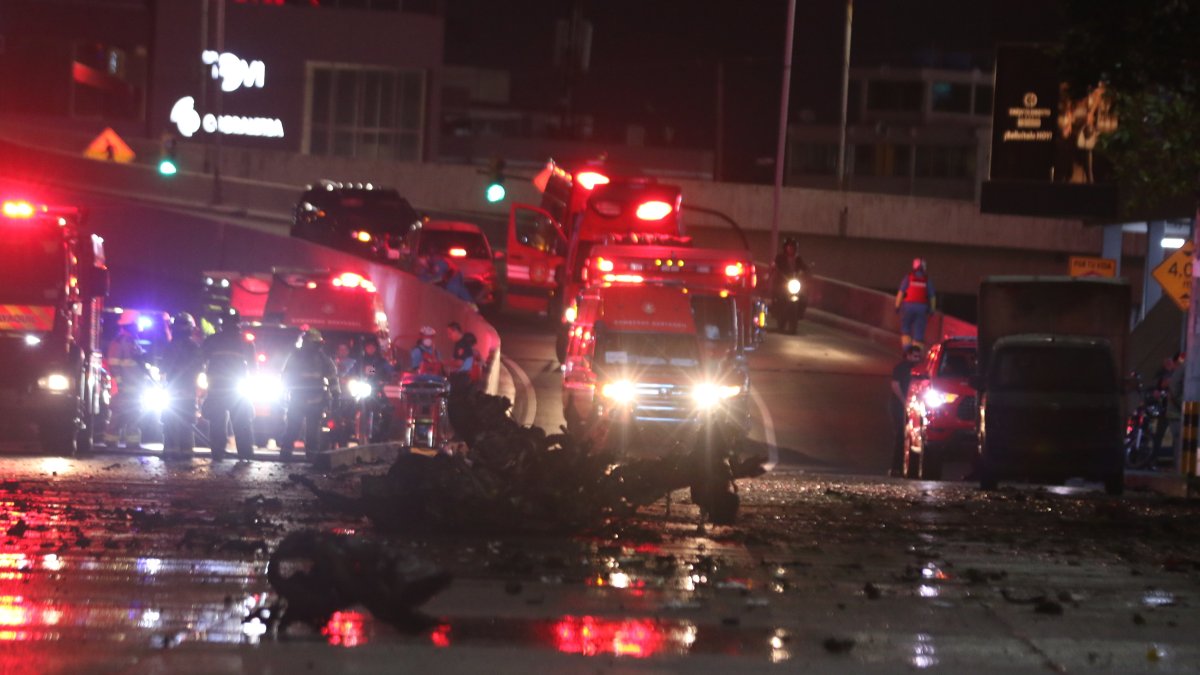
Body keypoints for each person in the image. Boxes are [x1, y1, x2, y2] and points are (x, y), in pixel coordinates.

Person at [201, 309, 257, 459]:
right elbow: (253, 367)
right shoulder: (245, 342)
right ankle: (245, 455)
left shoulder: (212, 340)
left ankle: (218, 454)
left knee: (217, 423)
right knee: (241, 423)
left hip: (217, 388)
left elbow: (200, 361)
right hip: (236, 390)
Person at [280, 329, 341, 459]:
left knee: (313, 432)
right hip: (298, 399)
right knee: (292, 429)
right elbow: (286, 376)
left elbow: (333, 378)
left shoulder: (324, 359)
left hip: (316, 401)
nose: (318, 346)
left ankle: (312, 458)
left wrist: (336, 395)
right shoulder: (296, 357)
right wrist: (283, 393)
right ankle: (285, 455)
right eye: (315, 343)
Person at [161, 312, 204, 457]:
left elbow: (163, 367)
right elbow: (200, 368)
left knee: (170, 422)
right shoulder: (194, 347)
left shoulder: (169, 347)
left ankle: (170, 452)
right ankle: (186, 453)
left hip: (172, 392)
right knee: (187, 423)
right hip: (188, 392)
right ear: (191, 329)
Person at [104, 313, 147, 447]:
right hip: (124, 385)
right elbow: (114, 364)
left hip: (134, 385)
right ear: (131, 325)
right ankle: (111, 440)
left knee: (135, 413)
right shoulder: (120, 341)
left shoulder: (131, 341)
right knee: (118, 412)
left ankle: (132, 442)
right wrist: (120, 382)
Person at [889, 345, 923, 477]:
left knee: (911, 437)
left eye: (919, 356)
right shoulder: (901, 368)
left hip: (912, 407)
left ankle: (906, 467)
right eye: (915, 356)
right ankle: (896, 467)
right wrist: (904, 402)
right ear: (908, 355)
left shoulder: (918, 369)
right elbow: (895, 385)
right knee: (900, 436)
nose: (917, 359)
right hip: (899, 407)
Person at [1152, 351, 1186, 465]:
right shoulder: (1170, 375)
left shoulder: (1177, 374)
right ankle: (1155, 460)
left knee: (1174, 439)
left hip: (1171, 410)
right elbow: (1163, 386)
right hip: (1168, 410)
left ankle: (1173, 462)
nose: (1169, 365)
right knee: (1167, 437)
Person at [895, 258, 936, 351]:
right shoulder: (927, 280)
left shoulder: (908, 278)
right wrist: (932, 310)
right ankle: (916, 354)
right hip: (922, 308)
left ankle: (907, 351)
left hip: (908, 307)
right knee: (919, 332)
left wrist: (897, 306)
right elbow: (932, 296)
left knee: (906, 329)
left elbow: (901, 293)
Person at [445, 321, 481, 393]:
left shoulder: (462, 344)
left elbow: (459, 363)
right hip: (463, 378)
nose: (449, 336)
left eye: (450, 333)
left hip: (462, 379)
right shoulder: (460, 343)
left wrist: (445, 362)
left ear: (455, 331)